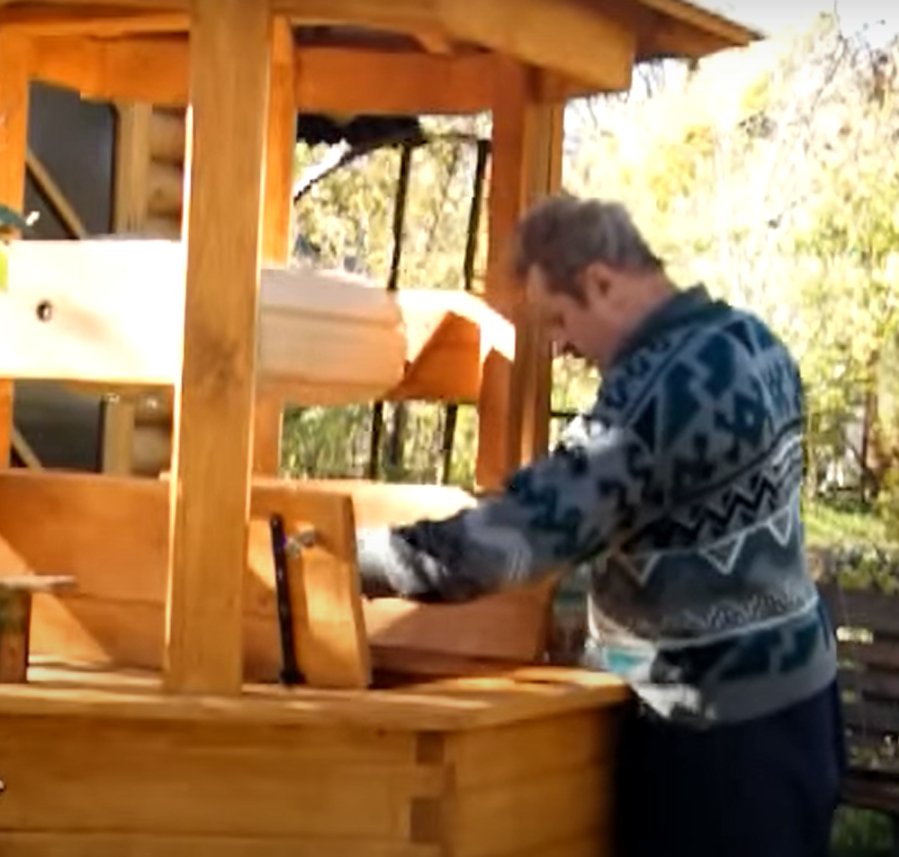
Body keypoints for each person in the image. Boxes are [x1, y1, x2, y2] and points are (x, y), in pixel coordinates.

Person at [355, 194, 846, 857]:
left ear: (602, 282)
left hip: (714, 745)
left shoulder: (659, 393)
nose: (559, 347)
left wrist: (351, 559)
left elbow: (515, 539)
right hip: (803, 708)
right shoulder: (754, 342)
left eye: (559, 319)